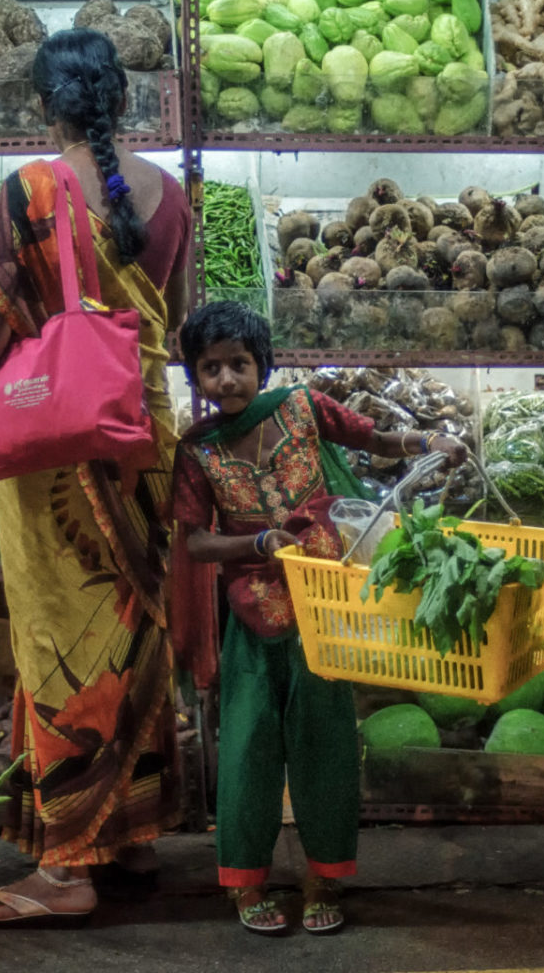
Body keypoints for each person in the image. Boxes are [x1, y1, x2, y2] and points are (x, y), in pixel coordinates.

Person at [0, 30, 192, 926]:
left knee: (62, 640)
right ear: (121, 101)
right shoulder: (171, 194)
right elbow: (170, 319)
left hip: (59, 451)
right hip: (143, 434)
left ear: (44, 107)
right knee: (134, 632)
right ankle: (128, 833)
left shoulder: (29, 191)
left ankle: (66, 865)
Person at [170, 301, 466, 935]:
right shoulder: (196, 453)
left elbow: (373, 439)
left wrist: (429, 440)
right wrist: (254, 545)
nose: (227, 379)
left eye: (240, 364)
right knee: (248, 751)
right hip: (252, 621)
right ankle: (247, 888)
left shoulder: (303, 407)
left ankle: (324, 880)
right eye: (211, 368)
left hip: (326, 616)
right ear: (195, 376)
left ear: (264, 366)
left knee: (325, 747)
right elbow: (194, 542)